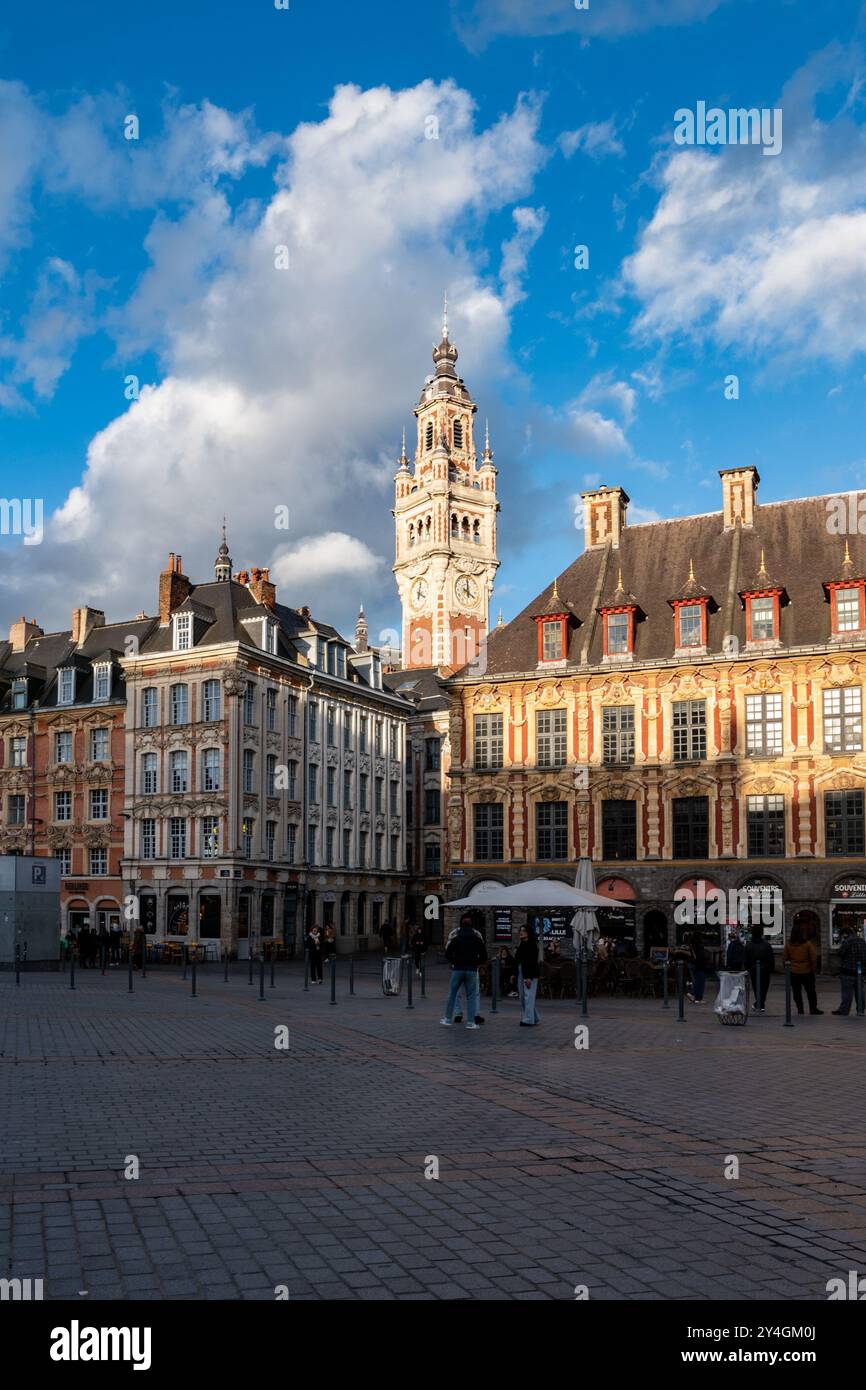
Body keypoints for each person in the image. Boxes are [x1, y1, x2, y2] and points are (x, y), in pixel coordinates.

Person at [440, 913, 487, 1030]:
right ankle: (471, 1022)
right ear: (472, 925)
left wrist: (454, 961)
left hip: (458, 968)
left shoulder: (456, 937)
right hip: (471, 969)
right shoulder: (477, 938)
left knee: (452, 994)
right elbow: (484, 955)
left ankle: (447, 1019)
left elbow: (447, 953)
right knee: (471, 996)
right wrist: (476, 963)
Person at [783, 924, 822, 1015]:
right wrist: (813, 969)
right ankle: (813, 1008)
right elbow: (813, 957)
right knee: (810, 991)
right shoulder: (807, 944)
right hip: (806, 970)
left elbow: (784, 958)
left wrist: (787, 969)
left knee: (796, 992)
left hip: (793, 971)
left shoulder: (789, 945)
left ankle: (800, 1009)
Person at [832, 925, 866, 1016]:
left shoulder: (847, 941)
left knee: (847, 992)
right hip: (861, 971)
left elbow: (840, 953)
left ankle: (844, 1010)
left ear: (845, 934)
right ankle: (861, 1009)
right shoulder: (862, 941)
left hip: (847, 971)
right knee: (860, 991)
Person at [515, 924, 541, 1027]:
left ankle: (528, 1019)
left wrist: (528, 977)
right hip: (521, 972)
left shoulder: (532, 945)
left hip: (530, 973)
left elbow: (531, 962)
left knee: (528, 996)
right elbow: (518, 960)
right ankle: (534, 1017)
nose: (521, 932)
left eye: (524, 931)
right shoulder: (522, 944)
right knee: (522, 996)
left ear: (528, 933)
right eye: (520, 930)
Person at [744, 925, 774, 1012]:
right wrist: (770, 968)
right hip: (765, 970)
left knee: (756, 986)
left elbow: (746, 959)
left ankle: (759, 1003)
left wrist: (748, 968)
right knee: (764, 987)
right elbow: (770, 958)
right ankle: (760, 1003)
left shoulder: (749, 945)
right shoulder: (766, 945)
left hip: (754, 970)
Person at [687, 929, 708, 1003]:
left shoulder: (692, 944)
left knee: (696, 981)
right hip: (699, 965)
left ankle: (694, 995)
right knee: (700, 982)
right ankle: (698, 998)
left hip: (692, 964)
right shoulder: (700, 945)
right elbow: (701, 956)